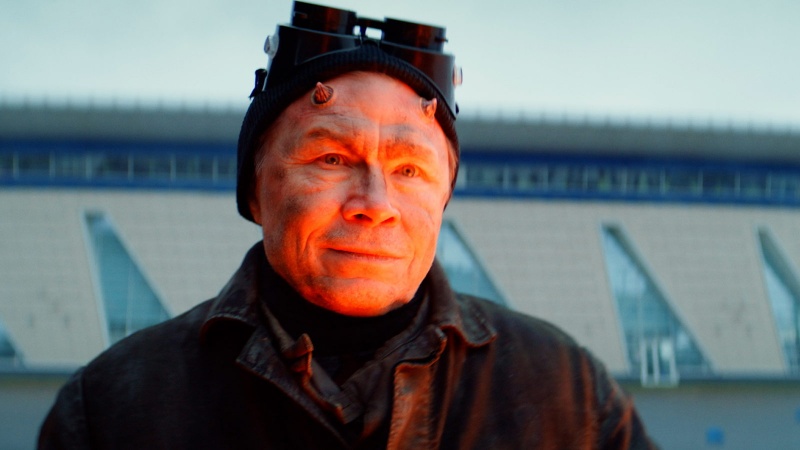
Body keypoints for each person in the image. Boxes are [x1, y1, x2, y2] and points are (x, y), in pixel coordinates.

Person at [39, 2, 657, 448]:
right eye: (331, 159)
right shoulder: (113, 409)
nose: (375, 203)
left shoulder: (567, 395)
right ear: (255, 190)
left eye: (410, 170)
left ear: (444, 198)